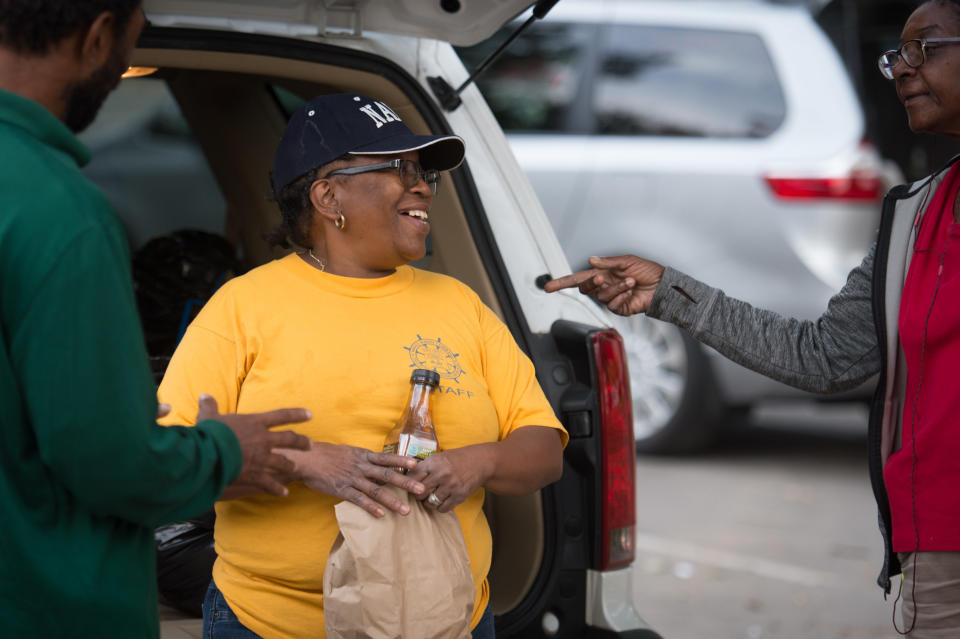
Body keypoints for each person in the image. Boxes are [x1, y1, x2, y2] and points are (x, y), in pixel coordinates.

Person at [545, 1, 960, 636]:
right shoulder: (913, 213)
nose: (900, 70)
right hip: (934, 544)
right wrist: (670, 295)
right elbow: (826, 356)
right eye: (893, 55)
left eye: (923, 49)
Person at [156, 92, 568, 638]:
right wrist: (305, 461)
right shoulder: (242, 309)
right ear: (328, 196)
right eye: (399, 168)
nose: (421, 185)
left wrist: (481, 462)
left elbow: (542, 449)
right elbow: (168, 469)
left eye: (424, 173)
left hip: (443, 620)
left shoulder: (460, 305)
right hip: (271, 625)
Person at [0, 2, 314, 636]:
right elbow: (111, 463)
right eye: (127, 53)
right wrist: (227, 451)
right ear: (95, 38)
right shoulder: (60, 213)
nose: (119, 76)